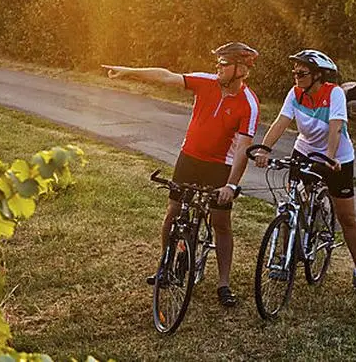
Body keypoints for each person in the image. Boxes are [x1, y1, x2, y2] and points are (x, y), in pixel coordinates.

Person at [102, 42, 260, 308]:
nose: (218, 68)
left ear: (241, 69)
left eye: (224, 64)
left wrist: (231, 185)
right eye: (218, 63)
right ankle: (165, 263)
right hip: (189, 157)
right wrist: (128, 70)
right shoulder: (205, 82)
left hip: (219, 165)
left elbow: (243, 149)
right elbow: (166, 76)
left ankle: (223, 283)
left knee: (221, 222)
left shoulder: (249, 104)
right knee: (173, 211)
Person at [252, 49, 356, 296]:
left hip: (337, 157)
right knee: (291, 202)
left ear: (318, 76)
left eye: (302, 72)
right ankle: (287, 253)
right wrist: (265, 149)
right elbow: (280, 121)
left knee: (347, 217)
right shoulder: (295, 93)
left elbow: (336, 128)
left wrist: (329, 158)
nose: (296, 76)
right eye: (294, 72)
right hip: (305, 150)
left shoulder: (335, 94)